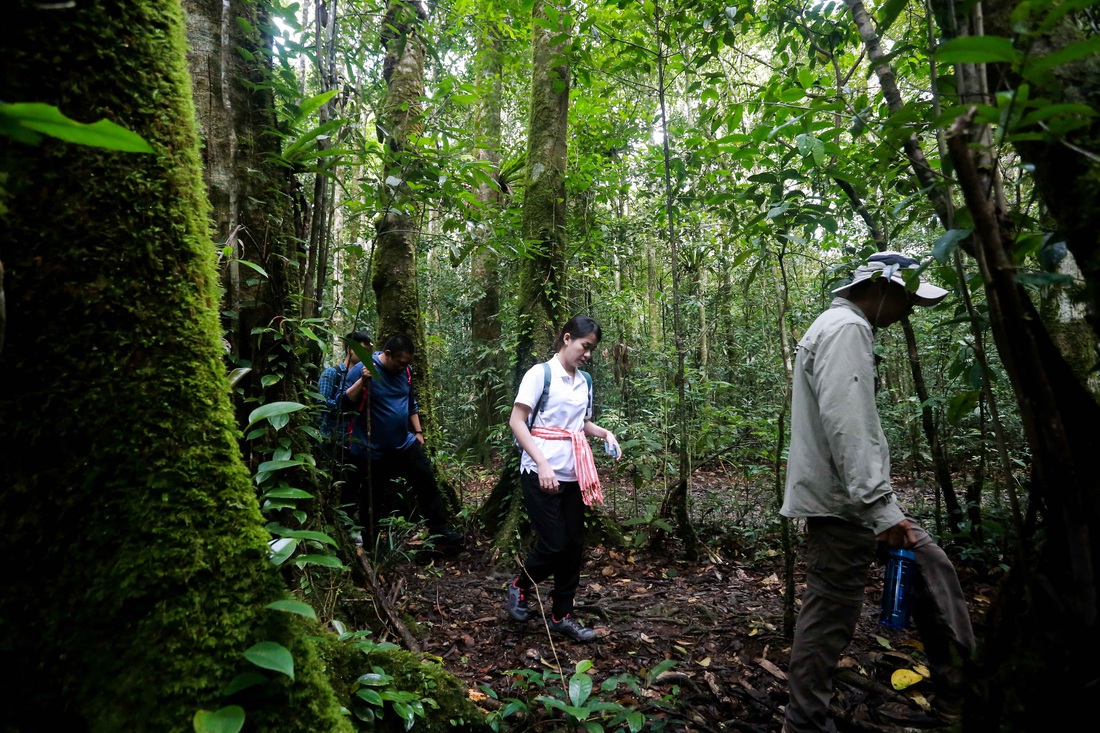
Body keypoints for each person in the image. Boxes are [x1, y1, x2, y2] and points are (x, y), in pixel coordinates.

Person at [781, 251, 975, 732]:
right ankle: (803, 722)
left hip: (850, 498)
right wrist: (879, 507)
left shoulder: (837, 325)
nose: (909, 310)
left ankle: (962, 693)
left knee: (930, 568)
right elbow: (849, 424)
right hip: (846, 503)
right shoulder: (847, 329)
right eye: (907, 298)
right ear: (882, 288)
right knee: (829, 616)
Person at [506, 315, 622, 642]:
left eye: (592, 349)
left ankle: (562, 615)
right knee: (554, 543)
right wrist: (541, 463)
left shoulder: (584, 380)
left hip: (574, 474)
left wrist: (604, 433)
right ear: (568, 338)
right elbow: (517, 421)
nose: (588, 354)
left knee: (572, 547)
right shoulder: (540, 374)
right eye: (585, 346)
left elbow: (580, 423)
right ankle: (520, 586)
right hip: (539, 471)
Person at [342, 334, 462, 546]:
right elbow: (341, 403)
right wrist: (363, 381)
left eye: (407, 363)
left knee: (427, 483)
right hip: (374, 450)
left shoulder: (406, 371)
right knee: (373, 498)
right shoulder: (362, 369)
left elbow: (410, 403)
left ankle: (440, 530)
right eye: (400, 362)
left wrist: (418, 432)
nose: (403, 366)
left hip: (404, 443)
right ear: (387, 355)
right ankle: (372, 545)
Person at [318, 331, 372, 443]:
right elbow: (322, 403)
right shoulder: (332, 373)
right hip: (332, 437)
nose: (366, 354)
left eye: (368, 351)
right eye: (363, 350)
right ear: (350, 349)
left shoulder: (366, 376)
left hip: (355, 440)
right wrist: (345, 403)